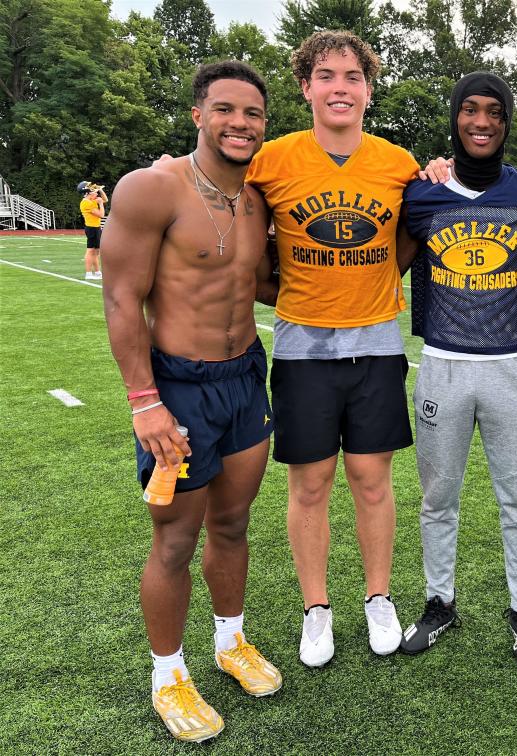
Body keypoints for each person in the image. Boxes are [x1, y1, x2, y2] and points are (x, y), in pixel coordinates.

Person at [101, 60, 281, 743]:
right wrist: (144, 402)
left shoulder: (257, 197)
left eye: (253, 114)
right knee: (175, 540)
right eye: (226, 110)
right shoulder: (153, 188)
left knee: (233, 524)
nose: (240, 123)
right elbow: (121, 298)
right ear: (199, 115)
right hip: (177, 387)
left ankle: (230, 641)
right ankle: (167, 674)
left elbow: (263, 286)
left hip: (244, 379)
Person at [244, 30, 419, 666]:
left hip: (375, 344)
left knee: (372, 480)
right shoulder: (273, 159)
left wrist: (380, 284)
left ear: (368, 89)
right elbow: (227, 209)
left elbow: (413, 238)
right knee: (310, 483)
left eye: (351, 76)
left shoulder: (399, 163)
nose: (339, 87)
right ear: (306, 86)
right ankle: (316, 608)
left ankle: (378, 597)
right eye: (326, 76)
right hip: (301, 348)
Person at [399, 72, 517, 666]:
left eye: (494, 111)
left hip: (509, 367)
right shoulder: (421, 193)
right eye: (470, 110)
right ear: (455, 118)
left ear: (508, 122)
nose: (481, 121)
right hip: (442, 365)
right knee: (438, 499)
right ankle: (440, 602)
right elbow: (385, 268)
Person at [79, 182, 107, 279]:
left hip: (96, 228)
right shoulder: (86, 202)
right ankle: (88, 273)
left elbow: (105, 199)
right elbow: (101, 215)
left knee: (96, 252)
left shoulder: (91, 200)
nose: (94, 191)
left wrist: (100, 190)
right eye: (91, 189)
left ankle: (97, 272)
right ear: (87, 192)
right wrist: (100, 204)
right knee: (90, 251)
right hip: (91, 228)